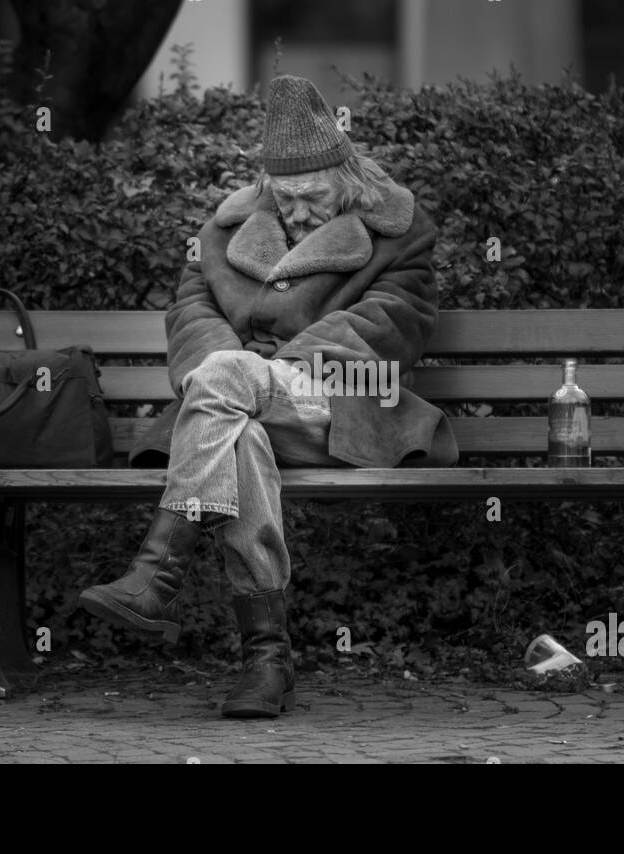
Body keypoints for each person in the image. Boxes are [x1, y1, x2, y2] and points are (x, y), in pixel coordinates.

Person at [79, 75, 458, 718]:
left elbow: (391, 322)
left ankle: (158, 571)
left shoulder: (399, 230)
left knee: (230, 384)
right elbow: (191, 316)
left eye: (312, 197)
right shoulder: (223, 233)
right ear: (267, 186)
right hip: (236, 413)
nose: (298, 210)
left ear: (346, 176)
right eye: (286, 197)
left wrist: (267, 370)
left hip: (340, 405)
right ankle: (266, 662)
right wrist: (236, 373)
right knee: (242, 432)